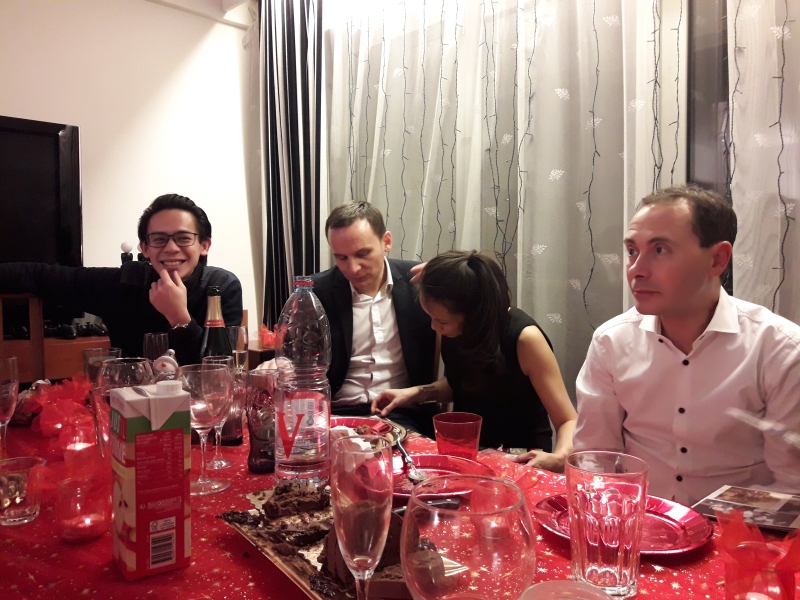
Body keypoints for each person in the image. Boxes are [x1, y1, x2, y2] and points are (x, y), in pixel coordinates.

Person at [574, 184, 800, 506]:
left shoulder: (780, 350)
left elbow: (791, 485)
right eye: (632, 251)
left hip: (736, 528)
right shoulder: (612, 340)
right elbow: (596, 458)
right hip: (638, 521)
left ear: (717, 259)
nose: (636, 270)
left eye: (660, 250)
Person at [371, 250, 578, 472]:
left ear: (474, 314)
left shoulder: (525, 339)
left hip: (519, 456)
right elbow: (461, 384)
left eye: (441, 321)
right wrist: (413, 394)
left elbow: (568, 420)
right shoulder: (458, 330)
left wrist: (559, 458)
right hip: (470, 451)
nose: (434, 327)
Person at [0, 194, 242, 366]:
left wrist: (179, 317)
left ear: (204, 245)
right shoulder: (124, 282)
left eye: (183, 238)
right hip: (130, 408)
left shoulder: (221, 288)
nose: (171, 248)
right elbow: (40, 276)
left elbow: (219, 373)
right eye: (159, 239)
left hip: (201, 414)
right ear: (144, 247)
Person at [310, 201, 438, 434]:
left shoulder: (419, 282)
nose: (353, 269)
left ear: (386, 242)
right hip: (336, 412)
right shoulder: (316, 292)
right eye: (341, 258)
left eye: (363, 254)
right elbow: (300, 362)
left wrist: (447, 275)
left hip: (402, 412)